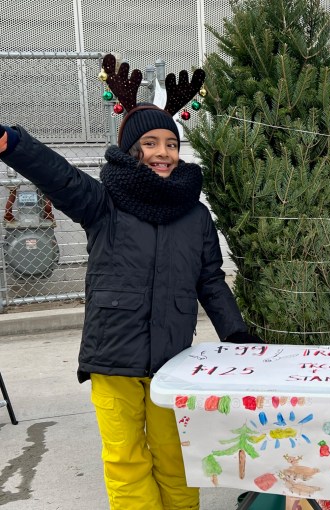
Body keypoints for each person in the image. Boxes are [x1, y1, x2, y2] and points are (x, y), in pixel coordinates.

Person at [0, 55, 260, 510]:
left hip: (173, 358)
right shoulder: (103, 203)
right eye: (150, 142)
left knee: (174, 454)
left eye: (171, 144)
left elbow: (211, 281)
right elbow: (57, 175)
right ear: (130, 149)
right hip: (112, 357)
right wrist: (14, 144)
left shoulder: (195, 214)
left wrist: (236, 334)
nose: (162, 152)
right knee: (125, 458)